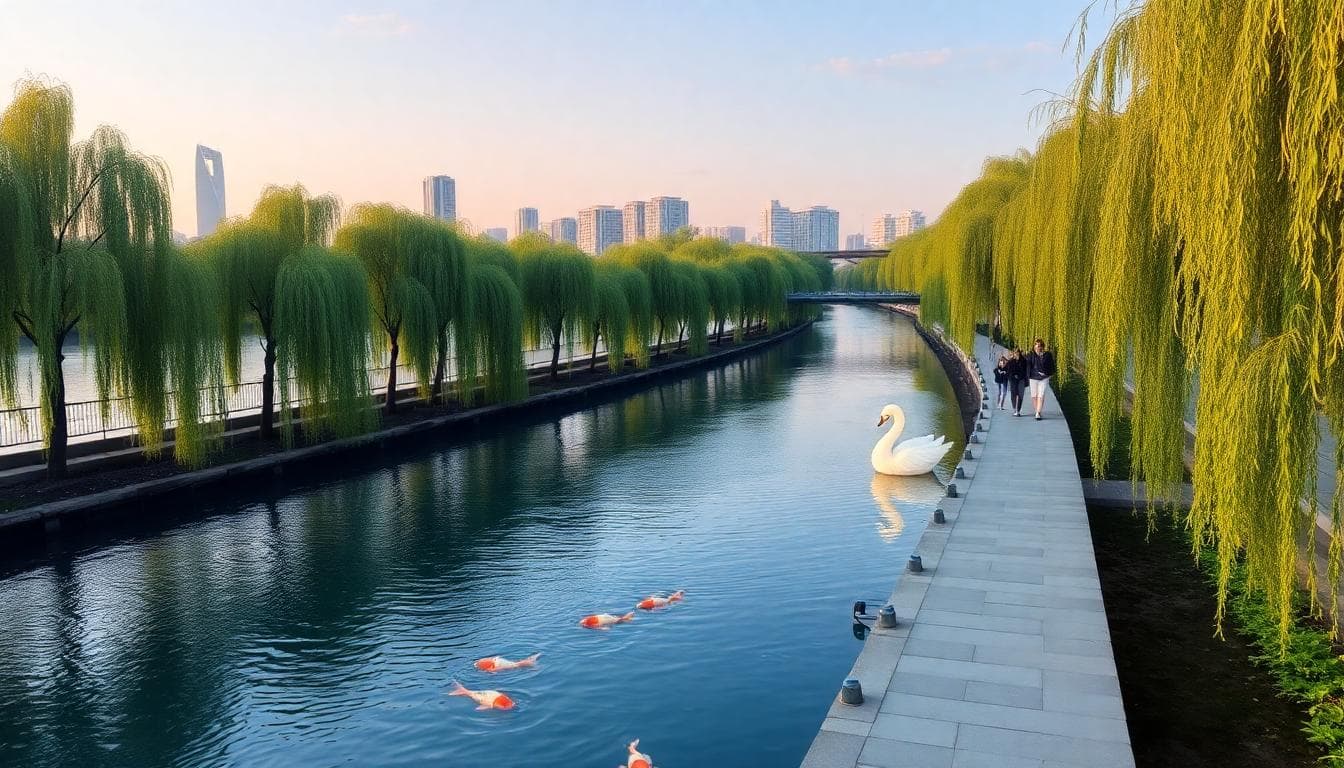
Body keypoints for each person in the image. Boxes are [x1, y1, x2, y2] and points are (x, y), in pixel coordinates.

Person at [1024, 338, 1057, 420]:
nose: (1037, 347)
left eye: (1039, 345)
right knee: (1034, 396)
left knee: (1041, 395)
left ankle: (1038, 413)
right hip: (1033, 377)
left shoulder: (1047, 355)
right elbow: (1026, 363)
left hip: (1044, 378)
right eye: (1036, 345)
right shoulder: (1031, 355)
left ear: (1042, 346)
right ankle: (1037, 411)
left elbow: (1052, 366)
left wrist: (1049, 374)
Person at [1005, 348, 1027, 416]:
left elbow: (1025, 371)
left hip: (1021, 379)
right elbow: (1008, 371)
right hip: (1013, 380)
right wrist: (1012, 376)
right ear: (1013, 354)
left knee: (1020, 394)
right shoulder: (1010, 362)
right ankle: (1014, 408)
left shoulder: (1024, 361)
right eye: (1015, 353)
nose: (1017, 354)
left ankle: (1018, 410)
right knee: (1013, 394)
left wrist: (1020, 376)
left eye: (1018, 353)